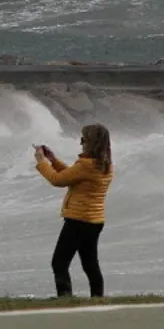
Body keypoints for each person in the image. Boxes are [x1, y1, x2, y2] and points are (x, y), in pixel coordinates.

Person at [34, 124, 114, 298]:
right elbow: (72, 175)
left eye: (83, 140)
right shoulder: (105, 165)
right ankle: (97, 298)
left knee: (59, 263)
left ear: (90, 142)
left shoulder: (85, 164)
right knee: (90, 264)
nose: (80, 143)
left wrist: (41, 161)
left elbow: (57, 180)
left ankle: (65, 297)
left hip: (78, 220)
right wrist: (53, 160)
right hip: (95, 221)